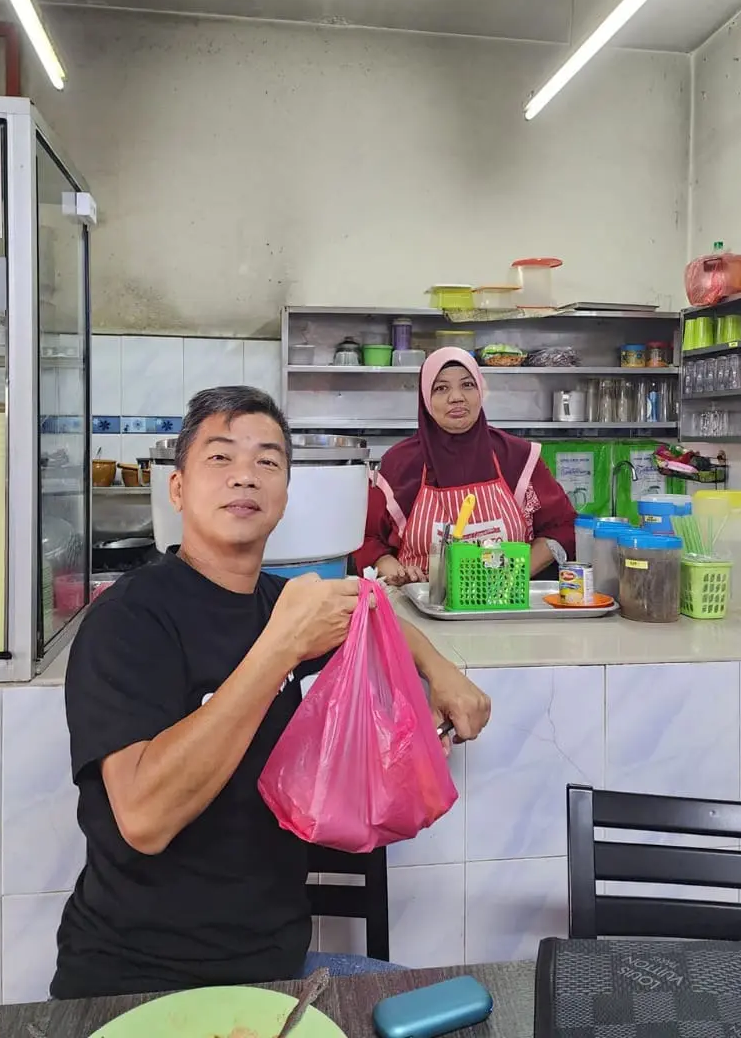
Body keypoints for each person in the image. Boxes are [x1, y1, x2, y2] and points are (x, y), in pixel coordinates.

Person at [52, 385, 490, 999]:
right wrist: (279, 650)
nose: (245, 477)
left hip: (276, 969)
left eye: (267, 461)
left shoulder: (288, 607)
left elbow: (371, 612)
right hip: (135, 976)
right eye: (220, 458)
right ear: (177, 489)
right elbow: (145, 819)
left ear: (285, 495)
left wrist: (439, 669)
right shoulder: (131, 618)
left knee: (466, 1009)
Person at [355, 347, 576, 585]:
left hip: (505, 605)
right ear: (425, 398)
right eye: (441, 388)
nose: (456, 397)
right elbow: (365, 538)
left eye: (467, 385)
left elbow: (562, 526)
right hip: (419, 608)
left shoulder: (518, 457)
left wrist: (516, 576)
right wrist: (398, 573)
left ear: (481, 391)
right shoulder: (399, 464)